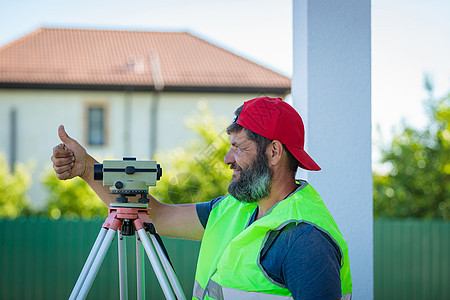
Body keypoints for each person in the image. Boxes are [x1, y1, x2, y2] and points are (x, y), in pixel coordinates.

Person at [52, 96, 352, 299]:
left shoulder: (305, 241)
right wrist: (88, 168)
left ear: (274, 151)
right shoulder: (234, 210)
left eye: (239, 147)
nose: (227, 158)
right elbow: (156, 215)